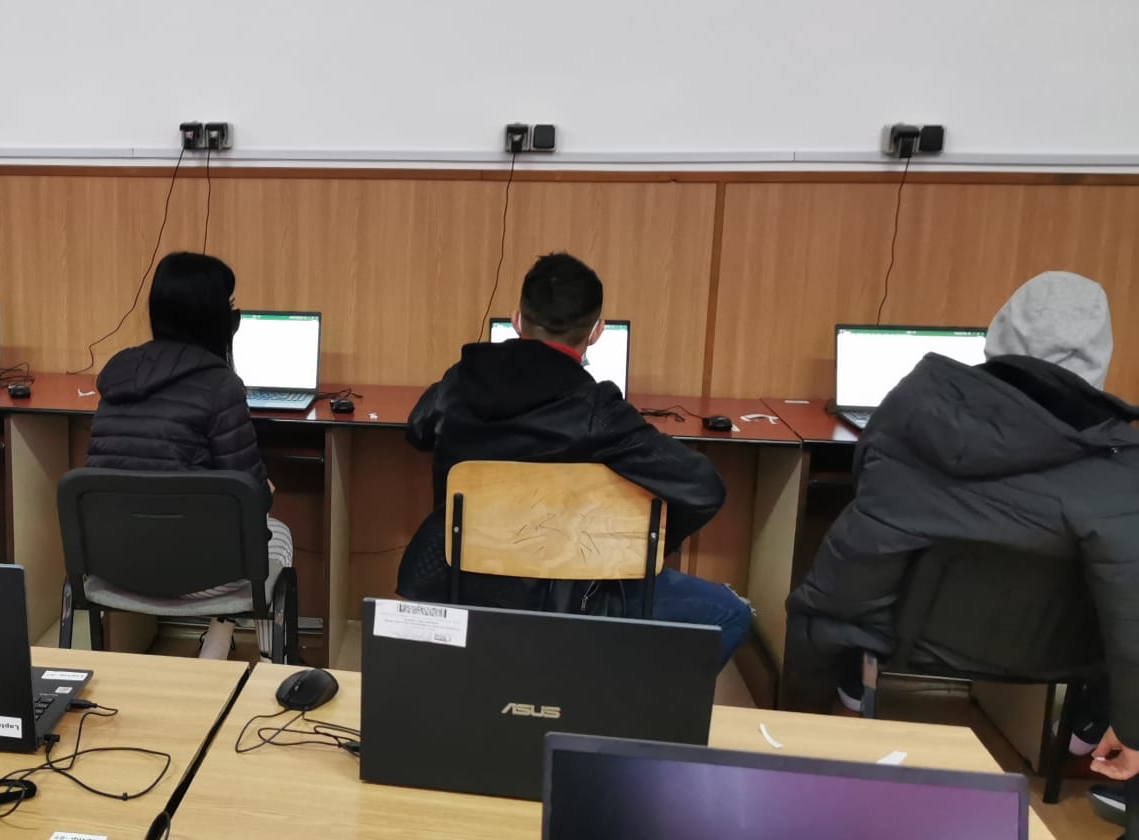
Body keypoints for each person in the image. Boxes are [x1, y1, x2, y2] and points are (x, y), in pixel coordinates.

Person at [782, 271, 1139, 786]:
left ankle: (853, 697)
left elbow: (863, 542)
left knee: (845, 592)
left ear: (998, 334)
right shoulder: (1122, 473)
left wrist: (812, 671)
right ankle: (1080, 741)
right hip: (1058, 655)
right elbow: (1131, 610)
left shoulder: (909, 415)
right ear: (1100, 355)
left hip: (911, 639)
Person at [398, 252, 750, 666]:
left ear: (516, 320)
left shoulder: (459, 380)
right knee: (732, 613)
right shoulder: (597, 410)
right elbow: (704, 489)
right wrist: (636, 549)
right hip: (565, 598)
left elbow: (417, 430)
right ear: (597, 332)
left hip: (457, 584)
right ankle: (623, 702)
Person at [86, 252, 291, 661]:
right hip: (197, 577)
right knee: (276, 535)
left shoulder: (117, 375)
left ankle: (216, 645)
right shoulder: (220, 386)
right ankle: (273, 667)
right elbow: (251, 501)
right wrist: (262, 492)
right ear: (212, 315)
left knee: (214, 527)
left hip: (114, 567)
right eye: (229, 305)